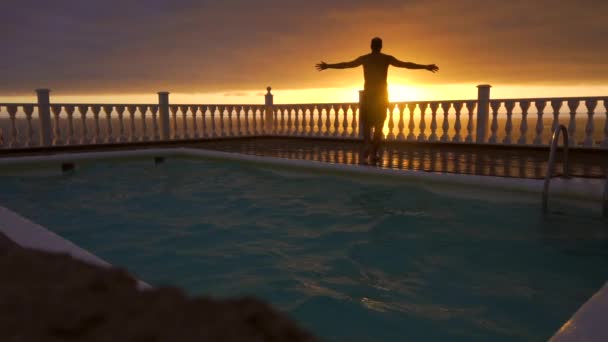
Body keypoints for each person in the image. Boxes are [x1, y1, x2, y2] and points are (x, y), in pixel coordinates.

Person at [316, 37, 439, 164]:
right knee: (379, 127)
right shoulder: (386, 58)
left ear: (371, 46)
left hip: (369, 95)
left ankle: (368, 145)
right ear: (381, 46)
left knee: (367, 124)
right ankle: (374, 154)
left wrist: (328, 66)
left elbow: (346, 65)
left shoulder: (365, 58)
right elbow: (406, 65)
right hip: (381, 96)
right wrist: (425, 67)